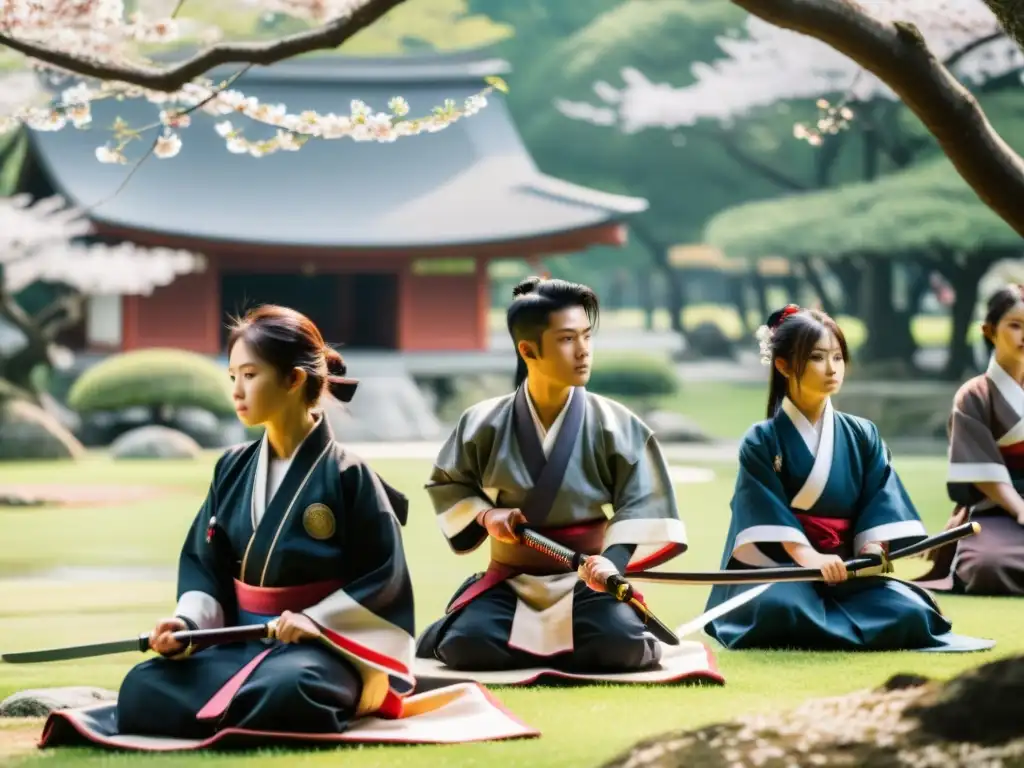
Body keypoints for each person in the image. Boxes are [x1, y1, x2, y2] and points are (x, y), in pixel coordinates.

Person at [41, 305, 420, 749]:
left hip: (321, 651)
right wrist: (186, 624)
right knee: (144, 686)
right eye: (233, 377)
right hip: (239, 644)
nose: (237, 391)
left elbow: (383, 577)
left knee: (290, 689)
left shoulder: (349, 475)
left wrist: (316, 622)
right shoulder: (232, 468)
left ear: (294, 380)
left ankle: (249, 708)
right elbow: (206, 564)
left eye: (250, 375)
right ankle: (248, 712)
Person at [415, 276, 688, 673]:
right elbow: (449, 484)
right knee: (466, 648)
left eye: (586, 337)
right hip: (511, 580)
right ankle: (462, 625)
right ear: (528, 350)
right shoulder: (482, 422)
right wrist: (486, 515)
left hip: (587, 581)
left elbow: (641, 504)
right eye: (566, 339)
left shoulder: (617, 424)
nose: (583, 352)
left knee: (622, 648)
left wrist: (610, 563)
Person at [704, 304, 994, 652]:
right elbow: (763, 512)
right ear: (782, 364)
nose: (831, 369)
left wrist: (871, 549)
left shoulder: (863, 433)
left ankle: (826, 623)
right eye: (816, 357)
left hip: (847, 568)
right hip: (785, 568)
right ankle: (834, 622)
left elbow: (880, 498)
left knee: (912, 610)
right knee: (779, 606)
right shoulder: (762, 440)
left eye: (838, 357)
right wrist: (811, 558)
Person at [915, 285, 1024, 595]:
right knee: (988, 564)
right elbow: (982, 473)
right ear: (989, 330)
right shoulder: (975, 395)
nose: (1023, 335)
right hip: (995, 510)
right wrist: (1019, 509)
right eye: (1015, 325)